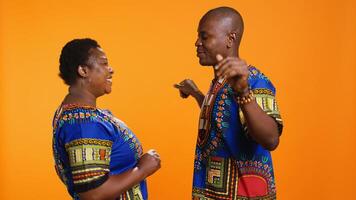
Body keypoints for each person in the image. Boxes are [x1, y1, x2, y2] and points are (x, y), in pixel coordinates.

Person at [174, 7, 283, 200]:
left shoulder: (254, 81)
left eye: (204, 36)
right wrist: (198, 95)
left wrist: (244, 92)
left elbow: (271, 139)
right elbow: (223, 120)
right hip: (212, 193)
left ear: (230, 39)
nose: (197, 43)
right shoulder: (219, 83)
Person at [52, 38, 161, 200]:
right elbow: (93, 194)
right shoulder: (85, 125)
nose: (111, 70)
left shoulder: (79, 115)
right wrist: (143, 169)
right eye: (103, 64)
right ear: (83, 71)